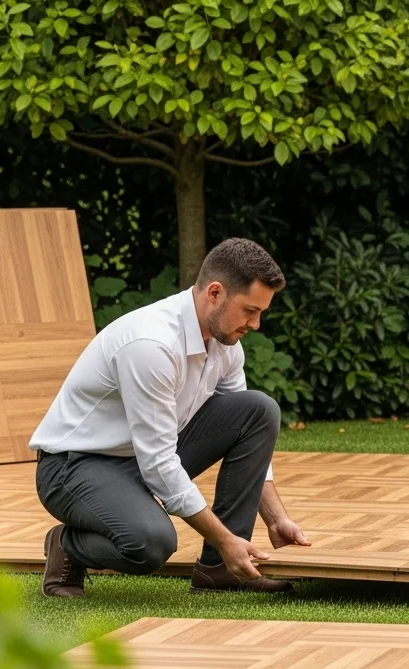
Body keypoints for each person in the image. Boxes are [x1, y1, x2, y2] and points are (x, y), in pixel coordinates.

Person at [30, 237, 310, 598]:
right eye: (249, 310)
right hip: (73, 468)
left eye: (261, 313)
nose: (255, 324)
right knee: (151, 543)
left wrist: (276, 518)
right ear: (214, 293)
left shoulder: (226, 345)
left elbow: (244, 424)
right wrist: (225, 538)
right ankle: (68, 545)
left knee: (259, 409)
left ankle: (221, 570)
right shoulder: (151, 346)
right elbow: (160, 463)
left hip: (136, 461)